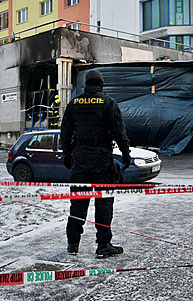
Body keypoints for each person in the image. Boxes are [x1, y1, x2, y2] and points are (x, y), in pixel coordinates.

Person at [61, 69, 131, 258]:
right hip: (102, 160)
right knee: (104, 203)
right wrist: (126, 153)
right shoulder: (108, 102)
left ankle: (73, 243)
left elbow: (65, 132)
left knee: (78, 203)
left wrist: (68, 155)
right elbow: (119, 131)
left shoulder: (74, 103)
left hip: (81, 160)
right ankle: (103, 244)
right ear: (101, 84)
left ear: (86, 83)